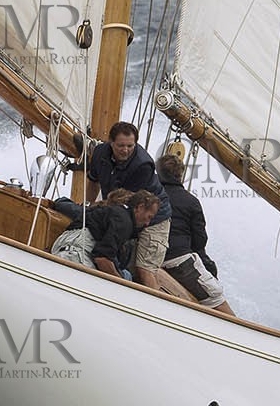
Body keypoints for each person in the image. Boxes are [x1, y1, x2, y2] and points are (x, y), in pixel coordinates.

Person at [85, 121, 172, 288]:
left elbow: (126, 200)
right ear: (111, 142)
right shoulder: (100, 153)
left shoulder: (142, 165)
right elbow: (93, 182)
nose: (125, 150)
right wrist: (88, 207)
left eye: (130, 146)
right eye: (120, 146)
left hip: (153, 216)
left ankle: (153, 308)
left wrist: (99, 210)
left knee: (144, 267)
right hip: (126, 211)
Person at [156, 154, 235, 315]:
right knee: (216, 298)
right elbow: (199, 240)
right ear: (180, 175)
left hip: (149, 256)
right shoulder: (191, 201)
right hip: (178, 261)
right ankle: (241, 336)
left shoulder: (148, 193)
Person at [52, 189, 159, 277]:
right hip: (77, 252)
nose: (147, 223)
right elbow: (102, 258)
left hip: (67, 245)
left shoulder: (114, 213)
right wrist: (121, 285)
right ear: (140, 207)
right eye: (149, 217)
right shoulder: (124, 221)